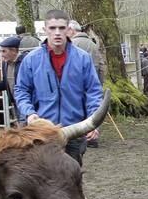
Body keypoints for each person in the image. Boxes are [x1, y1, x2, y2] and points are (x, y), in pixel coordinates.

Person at [15, 11, 104, 166]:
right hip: (43, 132)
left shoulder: (83, 58)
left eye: (61, 28)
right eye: (52, 28)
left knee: (71, 175)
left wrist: (93, 123)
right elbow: (21, 90)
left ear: (68, 30)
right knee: (43, 178)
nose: (57, 33)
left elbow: (93, 92)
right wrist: (29, 113)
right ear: (45, 29)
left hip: (74, 131)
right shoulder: (31, 60)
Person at [67, 20, 107, 85]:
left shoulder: (69, 45)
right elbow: (102, 67)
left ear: (71, 30)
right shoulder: (94, 46)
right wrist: (99, 84)